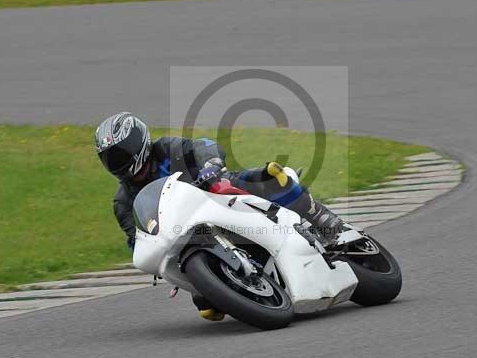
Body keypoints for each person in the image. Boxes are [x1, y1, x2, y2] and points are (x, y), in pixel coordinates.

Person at [95, 111, 345, 320]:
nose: (116, 162)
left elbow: (202, 146)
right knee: (207, 308)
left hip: (219, 195)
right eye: (109, 158)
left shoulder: (167, 149)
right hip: (191, 234)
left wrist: (211, 164)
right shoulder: (123, 201)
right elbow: (135, 237)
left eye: (119, 154)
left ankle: (323, 220)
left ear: (137, 143)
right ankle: (250, 286)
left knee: (271, 177)